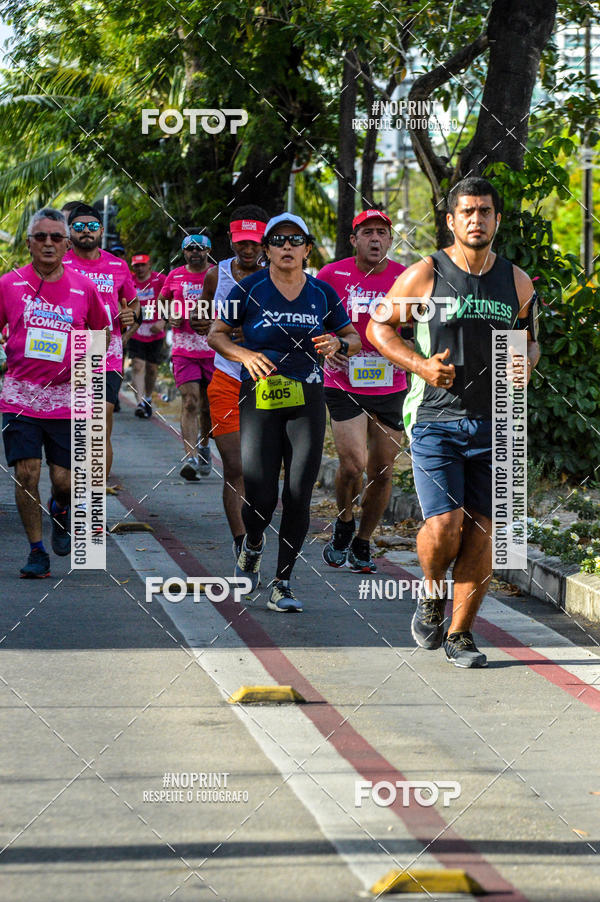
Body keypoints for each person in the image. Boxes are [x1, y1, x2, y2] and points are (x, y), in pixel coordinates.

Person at [367, 176, 540, 668]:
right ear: (451, 220)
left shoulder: (516, 280)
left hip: (500, 421)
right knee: (446, 523)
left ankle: (461, 635)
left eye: (485, 211)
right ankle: (431, 594)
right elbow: (379, 326)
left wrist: (526, 360)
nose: (476, 220)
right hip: (435, 419)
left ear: (497, 219)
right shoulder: (427, 273)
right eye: (467, 212)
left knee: (488, 533)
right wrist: (420, 366)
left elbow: (530, 338)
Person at [209, 213, 360, 612]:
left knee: (298, 494)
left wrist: (338, 346)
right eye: (278, 240)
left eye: (296, 240)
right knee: (260, 492)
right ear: (268, 249)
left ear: (308, 249)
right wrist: (244, 354)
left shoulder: (323, 293)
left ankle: (283, 583)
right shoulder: (249, 288)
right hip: (259, 397)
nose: (287, 246)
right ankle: (253, 543)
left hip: (307, 397)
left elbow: (353, 337)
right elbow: (217, 334)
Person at [0, 208, 110, 577]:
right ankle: (36, 552)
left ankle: (61, 509)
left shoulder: (85, 288)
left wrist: (87, 370)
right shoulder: (9, 284)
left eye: (55, 237)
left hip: (67, 399)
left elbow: (102, 334)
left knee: (64, 481)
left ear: (66, 245)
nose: (48, 243)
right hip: (20, 395)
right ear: (29, 243)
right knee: (26, 474)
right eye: (40, 237)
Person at [318, 209, 407, 573]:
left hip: (391, 382)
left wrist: (411, 355)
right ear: (353, 239)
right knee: (353, 464)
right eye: (367, 232)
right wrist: (326, 347)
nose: (375, 239)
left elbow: (423, 323)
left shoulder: (406, 277)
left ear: (389, 239)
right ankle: (343, 521)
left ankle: (364, 542)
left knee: (383, 471)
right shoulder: (330, 275)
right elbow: (313, 319)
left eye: (382, 233)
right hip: (343, 380)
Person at [202, 205, 268, 558]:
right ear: (231, 240)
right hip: (226, 378)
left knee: (262, 473)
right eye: (242, 243)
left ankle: (256, 533)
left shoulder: (280, 275)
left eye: (255, 243)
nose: (248, 250)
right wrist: (204, 324)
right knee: (236, 467)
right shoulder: (217, 275)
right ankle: (243, 544)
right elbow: (202, 309)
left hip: (268, 382)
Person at [63, 203, 138, 478]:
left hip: (107, 353)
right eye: (79, 226)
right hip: (69, 353)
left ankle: (95, 499)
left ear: (102, 230)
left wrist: (130, 318)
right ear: (70, 232)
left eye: (92, 226)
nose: (86, 231)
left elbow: (133, 304)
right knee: (76, 426)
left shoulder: (117, 265)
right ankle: (68, 491)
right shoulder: (60, 264)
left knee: (100, 425)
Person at [158, 232, 214, 480]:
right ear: (184, 252)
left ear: (208, 251)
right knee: (190, 401)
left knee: (208, 406)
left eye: (200, 248)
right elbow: (162, 302)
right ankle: (190, 457)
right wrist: (169, 316)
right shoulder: (175, 275)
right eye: (190, 248)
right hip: (184, 350)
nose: (195, 252)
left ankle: (204, 447)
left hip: (214, 349)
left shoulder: (217, 275)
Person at [128, 253, 167, 418]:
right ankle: (140, 402)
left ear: (149, 265)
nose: (140, 269)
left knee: (152, 369)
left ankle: (148, 397)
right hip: (136, 330)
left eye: (143, 265)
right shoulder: (129, 281)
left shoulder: (160, 279)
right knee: (138, 365)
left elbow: (172, 299)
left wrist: (163, 321)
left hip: (155, 332)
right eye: (136, 266)